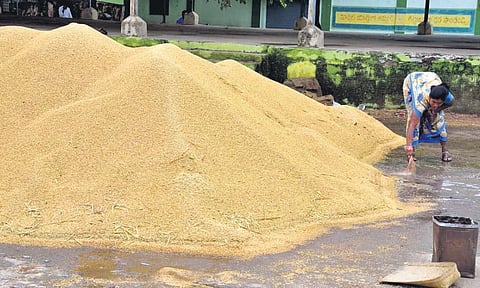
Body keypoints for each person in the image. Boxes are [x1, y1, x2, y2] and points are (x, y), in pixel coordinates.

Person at [402, 71, 455, 163]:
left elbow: (450, 103)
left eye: (439, 103)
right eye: (433, 102)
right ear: (429, 98)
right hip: (413, 82)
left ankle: (445, 151)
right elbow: (412, 124)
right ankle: (411, 153)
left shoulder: (447, 96)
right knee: (415, 117)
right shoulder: (420, 101)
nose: (435, 104)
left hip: (431, 77)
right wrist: (408, 145)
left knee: (439, 121)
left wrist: (436, 110)